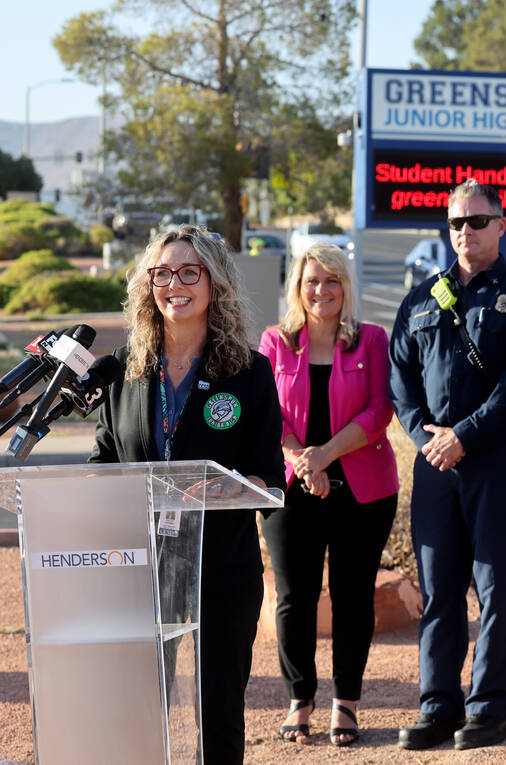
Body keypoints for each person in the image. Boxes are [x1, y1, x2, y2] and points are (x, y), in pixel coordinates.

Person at [89, 224, 285, 764]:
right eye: (162, 272)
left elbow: (272, 476)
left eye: (189, 272)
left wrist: (229, 488)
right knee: (138, 703)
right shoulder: (124, 371)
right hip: (140, 567)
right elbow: (104, 460)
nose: (174, 283)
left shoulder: (249, 373)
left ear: (214, 284)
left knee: (217, 711)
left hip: (221, 570)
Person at [389, 179, 506, 751]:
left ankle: (488, 709)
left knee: (498, 591)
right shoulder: (422, 298)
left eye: (477, 222)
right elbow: (401, 381)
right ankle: (438, 706)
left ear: (501, 226)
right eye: (456, 222)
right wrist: (425, 438)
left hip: (498, 463)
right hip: (435, 466)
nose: (465, 232)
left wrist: (465, 436)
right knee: (439, 593)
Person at [258, 242, 399, 747]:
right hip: (291, 488)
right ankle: (300, 699)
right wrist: (303, 460)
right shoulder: (275, 342)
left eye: (332, 280)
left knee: (353, 596)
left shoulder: (372, 340)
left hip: (363, 491)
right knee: (294, 598)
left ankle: (347, 702)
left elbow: (380, 411)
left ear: (346, 287)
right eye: (312, 280)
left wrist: (324, 456)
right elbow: (264, 411)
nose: (322, 290)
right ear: (298, 287)